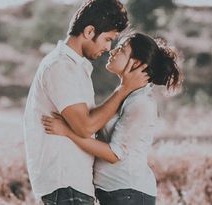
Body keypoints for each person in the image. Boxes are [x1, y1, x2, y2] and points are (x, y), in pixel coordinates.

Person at [23, 0, 149, 204]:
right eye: (107, 39)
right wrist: (124, 88)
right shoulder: (61, 66)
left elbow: (89, 121)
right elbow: (85, 126)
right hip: (65, 185)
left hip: (72, 185)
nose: (109, 48)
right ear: (89, 32)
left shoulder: (76, 68)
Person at [41, 32, 182, 205]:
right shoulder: (126, 96)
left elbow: (115, 154)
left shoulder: (141, 103)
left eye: (121, 49)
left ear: (135, 63)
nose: (112, 52)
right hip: (115, 193)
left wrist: (67, 131)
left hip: (129, 193)